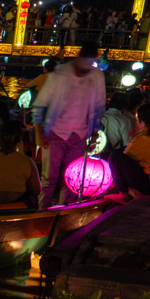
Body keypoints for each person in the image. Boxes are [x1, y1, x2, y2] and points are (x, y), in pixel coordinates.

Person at [34, 46, 106, 204]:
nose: (85, 71)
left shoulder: (96, 75)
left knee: (72, 179)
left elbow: (98, 107)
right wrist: (39, 132)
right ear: (78, 59)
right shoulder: (60, 73)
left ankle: (64, 212)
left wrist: (94, 134)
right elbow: (40, 104)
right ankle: (41, 211)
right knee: (48, 178)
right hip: (55, 132)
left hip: (79, 135)